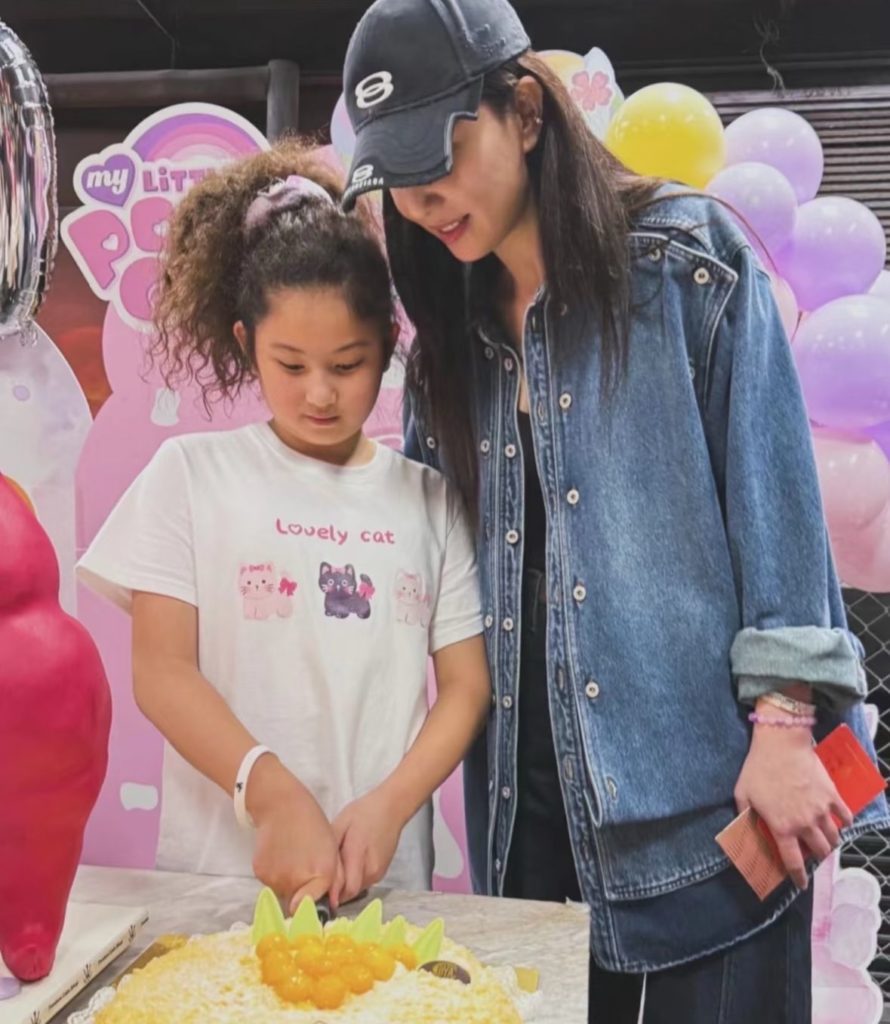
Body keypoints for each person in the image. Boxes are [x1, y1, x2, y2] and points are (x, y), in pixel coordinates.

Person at [339, 1, 889, 1021]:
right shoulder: (449, 349)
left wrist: (784, 724)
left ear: (526, 113)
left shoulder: (685, 264)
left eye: (441, 155)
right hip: (526, 819)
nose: (421, 198)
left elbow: (775, 501)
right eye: (398, 177)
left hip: (711, 811)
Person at [77, 140, 491, 913]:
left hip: (381, 887)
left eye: (348, 363)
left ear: (388, 345)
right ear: (246, 345)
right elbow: (162, 671)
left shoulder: (429, 500)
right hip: (221, 885)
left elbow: (466, 687)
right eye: (291, 365)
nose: (320, 394)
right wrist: (267, 790)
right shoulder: (189, 476)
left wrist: (392, 805)